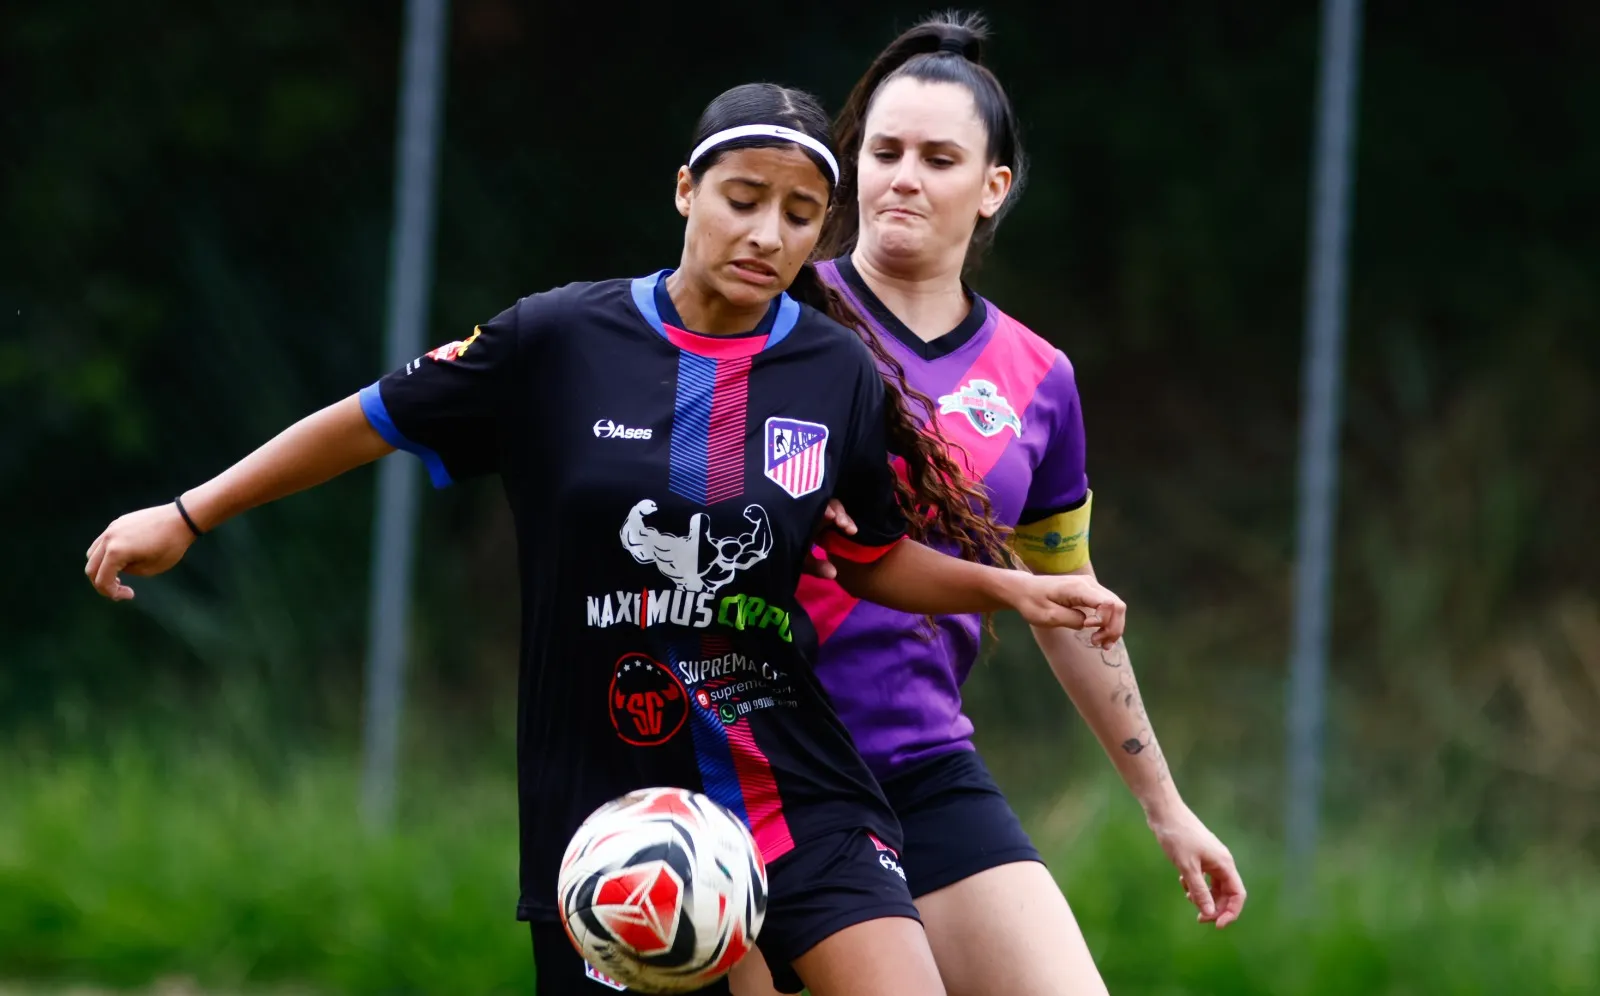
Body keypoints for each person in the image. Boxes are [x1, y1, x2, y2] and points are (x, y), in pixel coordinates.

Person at [82, 81, 1131, 996]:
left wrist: (1017, 592)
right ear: (685, 192)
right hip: (612, 806)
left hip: (792, 782)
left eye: (802, 214)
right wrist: (188, 514)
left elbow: (865, 556)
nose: (769, 233)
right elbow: (369, 420)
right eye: (743, 199)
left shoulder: (834, 371)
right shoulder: (556, 339)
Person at [730, 15, 1246, 996]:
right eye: (882, 152)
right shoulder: (782, 317)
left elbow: (1067, 604)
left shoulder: (1038, 378)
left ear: (992, 186)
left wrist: (1164, 804)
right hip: (761, 764)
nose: (902, 177)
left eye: (937, 156)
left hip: (921, 764)